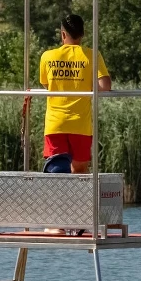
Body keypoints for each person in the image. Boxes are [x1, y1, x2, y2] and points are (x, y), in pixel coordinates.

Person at [38, 13, 111, 174]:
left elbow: (46, 83)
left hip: (55, 123)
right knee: (79, 171)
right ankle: (80, 200)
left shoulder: (47, 56)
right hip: (80, 124)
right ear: (82, 34)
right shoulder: (92, 55)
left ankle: (56, 199)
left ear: (63, 34)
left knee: (56, 170)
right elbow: (105, 85)